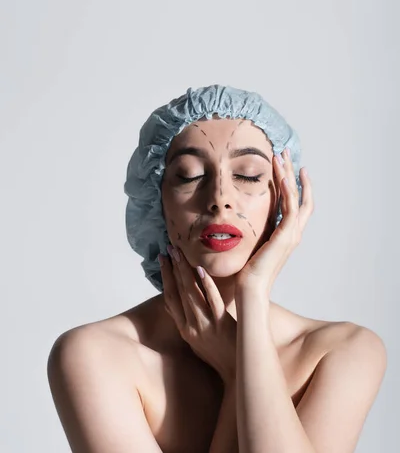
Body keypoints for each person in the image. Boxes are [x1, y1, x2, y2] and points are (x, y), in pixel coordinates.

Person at [47, 85, 387, 453]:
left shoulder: (343, 352)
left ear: (284, 199)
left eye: (249, 174)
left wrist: (253, 295)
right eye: (190, 176)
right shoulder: (94, 355)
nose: (220, 198)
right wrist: (237, 374)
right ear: (155, 200)